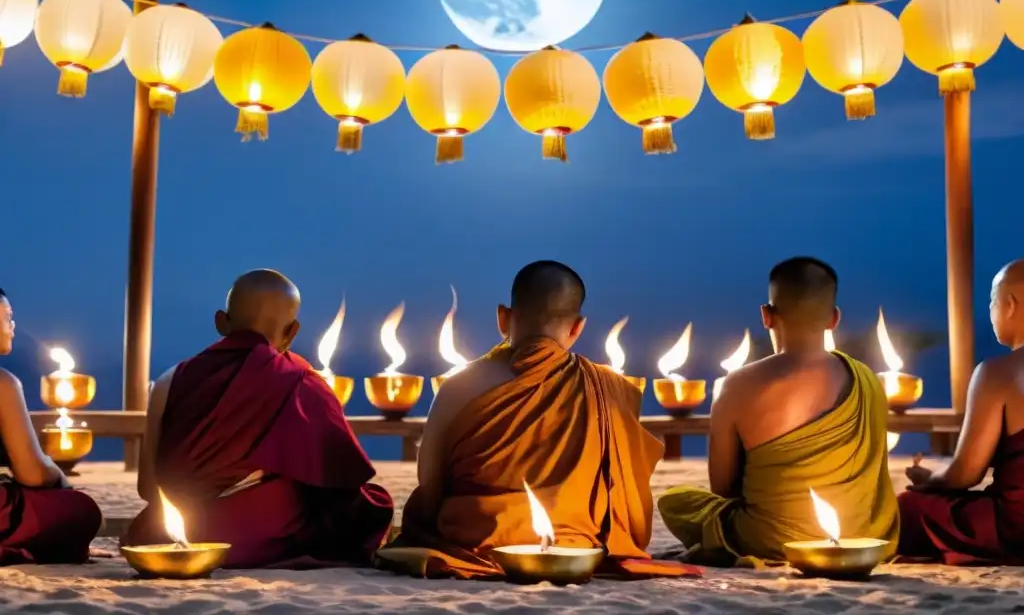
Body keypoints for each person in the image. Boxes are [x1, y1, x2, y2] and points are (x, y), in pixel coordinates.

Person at [376, 261, 699, 580]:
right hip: (574, 546)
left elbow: (429, 484)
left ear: (503, 318)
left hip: (474, 541)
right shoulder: (606, 388)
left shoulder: (460, 386)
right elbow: (625, 502)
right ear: (577, 328)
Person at [122, 269, 393, 568]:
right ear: (292, 333)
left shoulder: (168, 380)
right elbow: (342, 481)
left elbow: (147, 488)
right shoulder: (299, 378)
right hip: (249, 536)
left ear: (221, 322)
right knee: (370, 502)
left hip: (163, 533)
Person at [658, 257, 898, 566]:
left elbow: (723, 489)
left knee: (676, 501)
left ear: (766, 316)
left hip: (770, 538)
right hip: (865, 535)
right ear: (834, 319)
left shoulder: (736, 386)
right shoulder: (867, 379)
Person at [898, 260, 1024, 564]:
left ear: (1009, 305)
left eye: (992, 301)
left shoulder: (997, 372)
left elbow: (966, 474)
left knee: (908, 507)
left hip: (1016, 528)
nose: (991, 312)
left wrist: (931, 481)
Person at [0, 287, 102, 564]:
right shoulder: (3, 383)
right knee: (82, 509)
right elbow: (32, 473)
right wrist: (59, 478)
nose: (13, 325)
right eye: (8, 316)